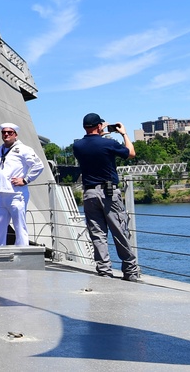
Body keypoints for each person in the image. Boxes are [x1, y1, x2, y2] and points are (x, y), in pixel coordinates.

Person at [73, 113, 141, 282]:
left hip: (89, 194)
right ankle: (130, 272)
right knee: (120, 231)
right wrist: (124, 133)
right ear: (99, 126)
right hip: (109, 193)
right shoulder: (109, 143)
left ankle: (104, 271)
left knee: (98, 235)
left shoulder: (77, 146)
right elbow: (131, 153)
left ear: (84, 127)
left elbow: (93, 145)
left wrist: (99, 133)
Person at [0, 123, 44, 247]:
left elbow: (39, 165)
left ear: (16, 135)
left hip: (16, 194)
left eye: (10, 132)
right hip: (1, 194)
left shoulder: (24, 149)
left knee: (20, 227)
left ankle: (23, 255)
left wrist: (25, 180)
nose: (6, 134)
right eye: (4, 132)